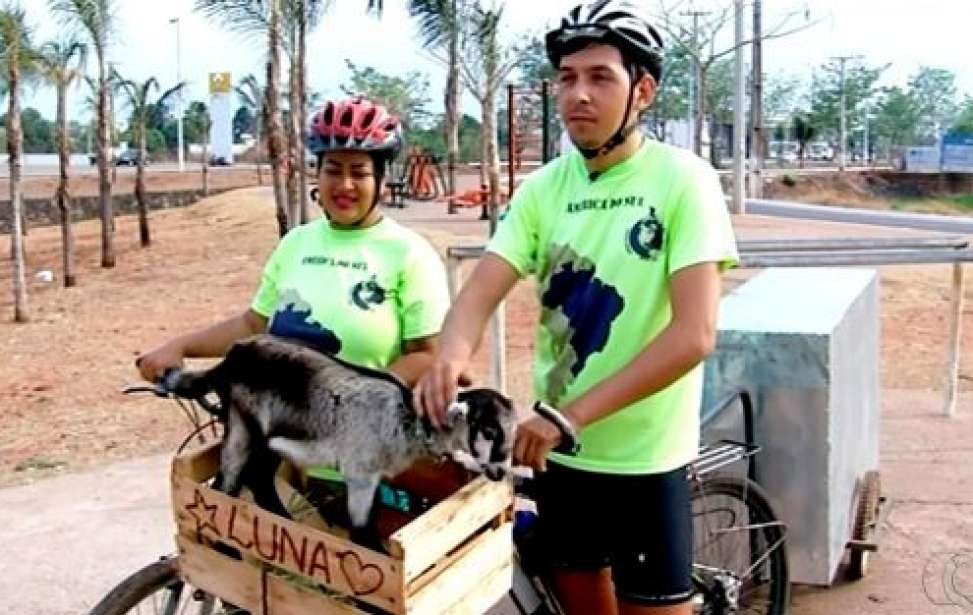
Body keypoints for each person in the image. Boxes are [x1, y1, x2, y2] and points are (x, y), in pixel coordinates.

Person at [413, 2, 739, 614]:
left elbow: (694, 335)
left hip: (645, 459)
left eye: (599, 77)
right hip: (562, 458)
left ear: (641, 90)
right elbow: (482, 289)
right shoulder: (544, 189)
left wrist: (570, 416)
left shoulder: (683, 181)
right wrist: (451, 352)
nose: (577, 95)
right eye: (566, 78)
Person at [137, 95, 449, 401]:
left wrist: (352, 401)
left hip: (366, 442)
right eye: (333, 169)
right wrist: (180, 346)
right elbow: (254, 325)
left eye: (359, 172)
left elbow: (426, 355)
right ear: (318, 173)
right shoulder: (296, 244)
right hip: (285, 434)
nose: (345, 185)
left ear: (381, 180)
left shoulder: (410, 253)